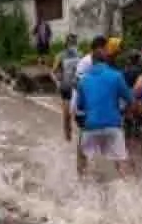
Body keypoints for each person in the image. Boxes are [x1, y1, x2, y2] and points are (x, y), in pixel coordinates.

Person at [74, 45, 135, 177]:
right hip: (113, 126)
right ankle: (127, 182)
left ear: (92, 62)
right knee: (121, 164)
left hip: (91, 126)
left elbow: (80, 106)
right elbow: (130, 99)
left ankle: (81, 180)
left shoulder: (83, 80)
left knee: (82, 155)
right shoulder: (117, 76)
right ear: (106, 60)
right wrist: (126, 112)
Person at [52, 34, 83, 142]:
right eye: (71, 43)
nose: (73, 45)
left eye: (74, 43)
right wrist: (57, 82)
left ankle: (82, 134)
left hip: (78, 87)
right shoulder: (60, 56)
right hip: (66, 87)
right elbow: (53, 71)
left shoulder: (80, 54)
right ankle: (67, 132)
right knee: (67, 114)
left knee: (80, 113)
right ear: (66, 44)